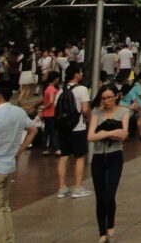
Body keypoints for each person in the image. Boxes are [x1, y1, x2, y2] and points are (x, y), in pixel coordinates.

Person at [0, 81, 37, 241]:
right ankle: (9, 239)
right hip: (9, 164)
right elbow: (33, 129)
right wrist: (20, 149)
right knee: (4, 207)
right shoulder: (18, 112)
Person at [88, 84, 129, 243]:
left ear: (116, 96)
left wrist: (104, 132)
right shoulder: (96, 113)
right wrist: (112, 132)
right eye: (103, 98)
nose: (106, 101)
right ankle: (102, 233)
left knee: (109, 194)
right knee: (99, 195)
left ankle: (110, 224)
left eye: (109, 97)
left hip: (115, 156)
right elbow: (90, 137)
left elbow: (123, 135)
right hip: (98, 157)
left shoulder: (123, 112)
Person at [56, 63, 92, 199]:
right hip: (78, 127)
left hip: (63, 128)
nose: (82, 74)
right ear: (76, 74)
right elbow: (85, 109)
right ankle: (78, 187)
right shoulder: (82, 89)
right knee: (79, 157)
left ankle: (62, 187)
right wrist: (90, 119)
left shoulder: (62, 90)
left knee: (64, 156)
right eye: (80, 72)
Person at [39, 72, 61, 155]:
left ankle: (44, 149)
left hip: (46, 113)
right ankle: (57, 148)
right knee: (53, 131)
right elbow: (51, 101)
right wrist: (45, 107)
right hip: (51, 113)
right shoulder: (52, 89)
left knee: (46, 131)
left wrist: (43, 108)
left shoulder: (47, 88)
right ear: (55, 79)